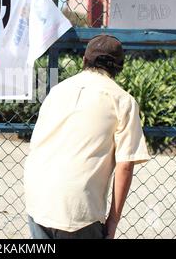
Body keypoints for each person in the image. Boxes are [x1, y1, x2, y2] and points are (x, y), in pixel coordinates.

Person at [24, 34, 150, 239]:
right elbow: (125, 166)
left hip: (37, 196)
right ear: (119, 68)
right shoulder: (123, 101)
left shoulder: (57, 91)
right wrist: (113, 221)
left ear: (84, 59)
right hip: (78, 208)